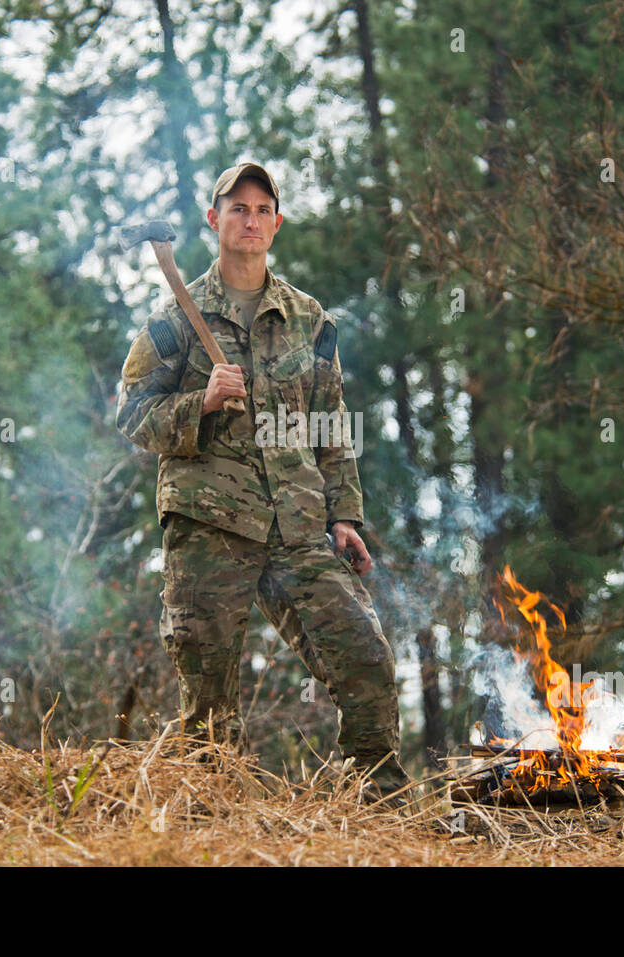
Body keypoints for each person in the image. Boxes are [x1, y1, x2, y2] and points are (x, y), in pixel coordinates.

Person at [115, 162, 409, 797]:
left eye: (261, 209)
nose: (249, 220)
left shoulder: (310, 321)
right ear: (213, 220)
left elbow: (332, 424)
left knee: (365, 657)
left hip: (298, 524)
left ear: (276, 223)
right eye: (237, 208)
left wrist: (345, 517)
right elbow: (133, 414)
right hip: (209, 524)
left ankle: (376, 803)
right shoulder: (174, 320)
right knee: (211, 696)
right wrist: (203, 403)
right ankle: (208, 821)